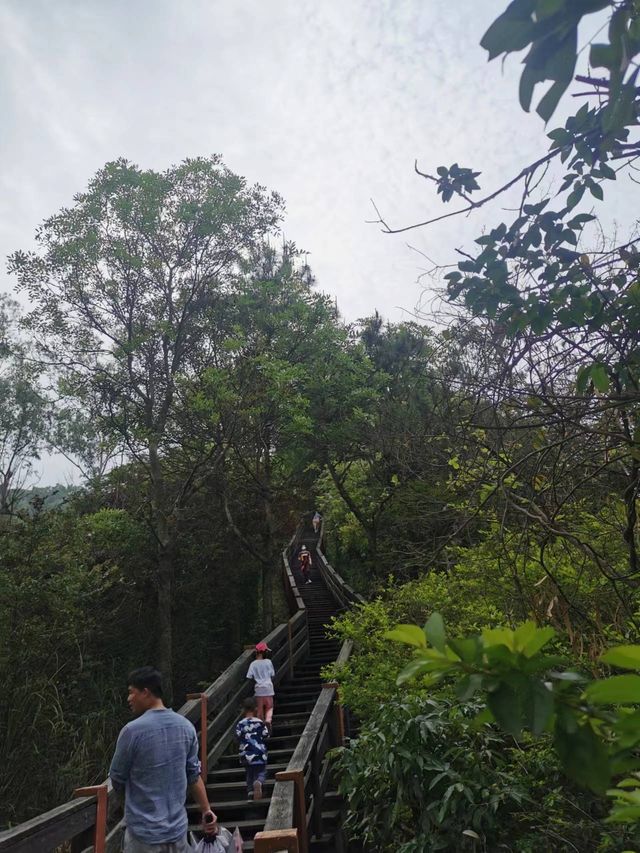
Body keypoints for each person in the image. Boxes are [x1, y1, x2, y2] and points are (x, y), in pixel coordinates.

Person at [109, 666, 217, 853]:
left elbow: (117, 778)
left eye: (131, 692)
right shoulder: (186, 727)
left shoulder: (132, 732)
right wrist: (206, 809)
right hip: (178, 831)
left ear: (145, 692)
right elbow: (193, 775)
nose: (129, 699)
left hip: (143, 835)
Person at [235, 696, 270, 801]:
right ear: (255, 708)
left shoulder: (240, 724)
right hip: (259, 752)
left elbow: (238, 736)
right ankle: (259, 782)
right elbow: (266, 735)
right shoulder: (259, 723)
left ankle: (250, 792)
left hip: (246, 753)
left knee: (249, 773)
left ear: (244, 709)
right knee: (261, 771)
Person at [246, 642, 275, 728]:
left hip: (259, 690)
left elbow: (249, 676)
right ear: (265, 652)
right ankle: (268, 720)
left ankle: (261, 726)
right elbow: (272, 674)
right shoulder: (268, 662)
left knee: (259, 710)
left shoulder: (253, 664)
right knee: (269, 707)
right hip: (269, 688)